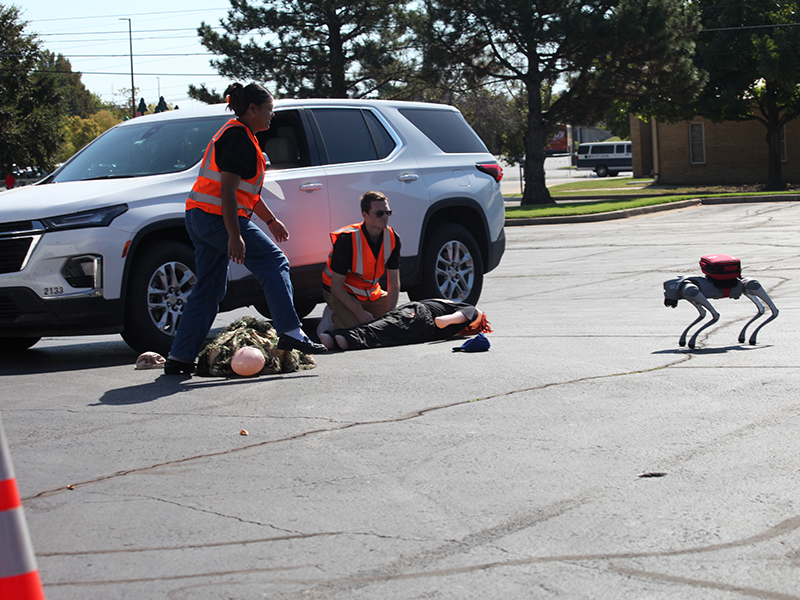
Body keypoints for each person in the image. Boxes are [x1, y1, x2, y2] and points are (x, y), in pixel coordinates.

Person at [165, 82, 326, 376]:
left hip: (200, 217)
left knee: (210, 288)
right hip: (217, 218)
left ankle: (180, 357)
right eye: (268, 110)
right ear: (251, 109)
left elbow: (245, 191)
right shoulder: (237, 138)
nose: (271, 116)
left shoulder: (240, 134)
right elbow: (226, 191)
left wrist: (270, 220)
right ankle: (290, 330)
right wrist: (235, 235)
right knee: (275, 261)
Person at [321, 191, 401, 329]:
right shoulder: (347, 239)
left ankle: (364, 313)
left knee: (398, 321)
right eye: (379, 213)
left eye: (388, 212)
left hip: (370, 293)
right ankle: (332, 318)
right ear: (365, 215)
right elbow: (336, 287)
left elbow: (393, 281)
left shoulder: (393, 237)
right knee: (360, 328)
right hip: (342, 292)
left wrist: (391, 312)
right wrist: (359, 313)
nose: (385, 217)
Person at [318, 298, 491, 351]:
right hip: (422, 317)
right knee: (382, 331)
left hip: (416, 311)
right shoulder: (471, 311)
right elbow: (441, 322)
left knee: (383, 329)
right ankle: (342, 338)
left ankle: (336, 338)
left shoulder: (452, 302)